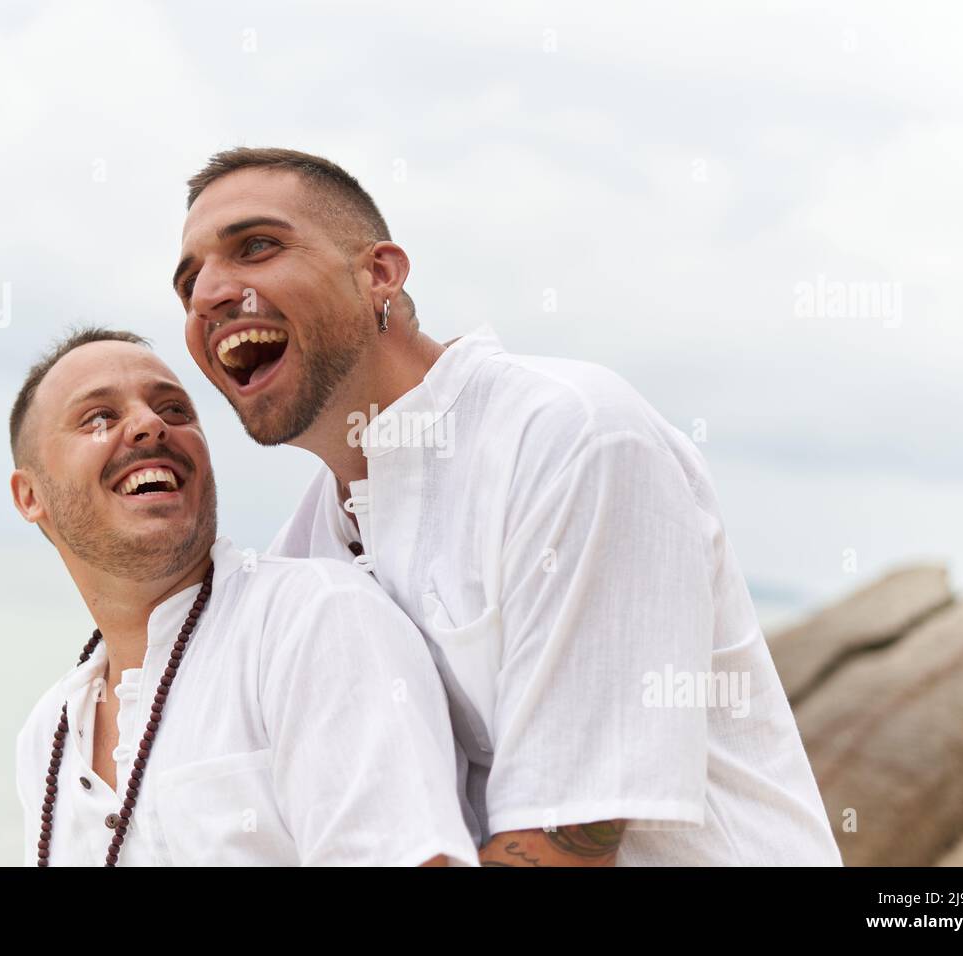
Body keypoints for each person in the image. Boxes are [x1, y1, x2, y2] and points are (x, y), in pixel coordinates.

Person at [172, 147, 843, 866]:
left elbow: (563, 846)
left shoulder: (571, 435)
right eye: (188, 284)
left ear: (379, 274)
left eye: (257, 246)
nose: (211, 292)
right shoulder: (303, 555)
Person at [9, 327, 477, 866]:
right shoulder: (48, 736)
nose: (150, 425)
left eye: (175, 410)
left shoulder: (312, 622)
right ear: (30, 495)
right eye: (98, 418)